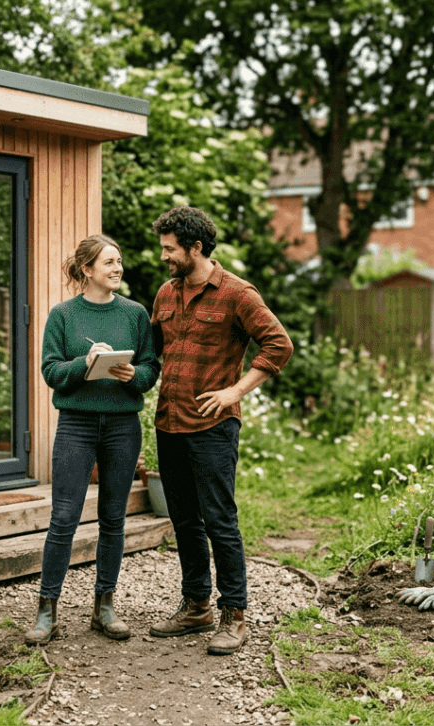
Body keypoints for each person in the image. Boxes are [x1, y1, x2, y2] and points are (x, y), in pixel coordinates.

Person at [146, 206, 293, 656]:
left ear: (196, 247)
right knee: (183, 520)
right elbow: (155, 356)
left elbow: (279, 344)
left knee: (219, 521)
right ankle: (196, 606)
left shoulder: (237, 294)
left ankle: (234, 614)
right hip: (169, 422)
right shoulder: (165, 294)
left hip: (212, 427)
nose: (165, 257)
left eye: (171, 249)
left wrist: (235, 391)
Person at [25, 234, 160, 646]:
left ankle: (105, 607)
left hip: (122, 427)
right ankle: (47, 611)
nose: (117, 269)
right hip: (77, 426)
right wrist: (84, 364)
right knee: (63, 517)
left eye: (119, 261)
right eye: (109, 263)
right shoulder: (63, 315)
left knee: (113, 519)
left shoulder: (135, 315)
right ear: (87, 270)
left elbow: (150, 369)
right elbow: (50, 371)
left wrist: (130, 375)